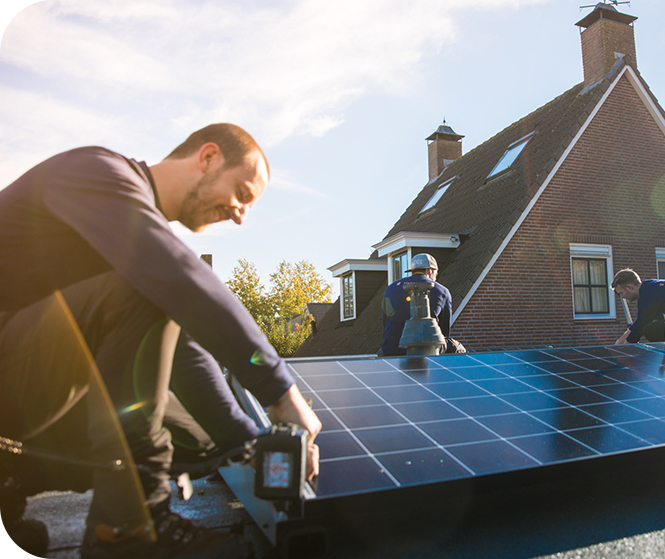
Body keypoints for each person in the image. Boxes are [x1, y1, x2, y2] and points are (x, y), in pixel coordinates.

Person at [0, 123, 321, 559]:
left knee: (201, 436)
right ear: (207, 158)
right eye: (243, 193)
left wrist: (244, 441)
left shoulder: (130, 230)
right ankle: (131, 529)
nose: (242, 214)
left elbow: (181, 342)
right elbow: (177, 282)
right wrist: (279, 391)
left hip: (28, 376)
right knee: (154, 286)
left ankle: (17, 476)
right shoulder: (94, 172)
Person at [380, 253, 452, 356]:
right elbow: (444, 332)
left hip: (392, 349)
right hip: (427, 350)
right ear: (430, 271)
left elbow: (386, 322)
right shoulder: (442, 291)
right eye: (436, 274)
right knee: (455, 347)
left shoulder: (390, 288)